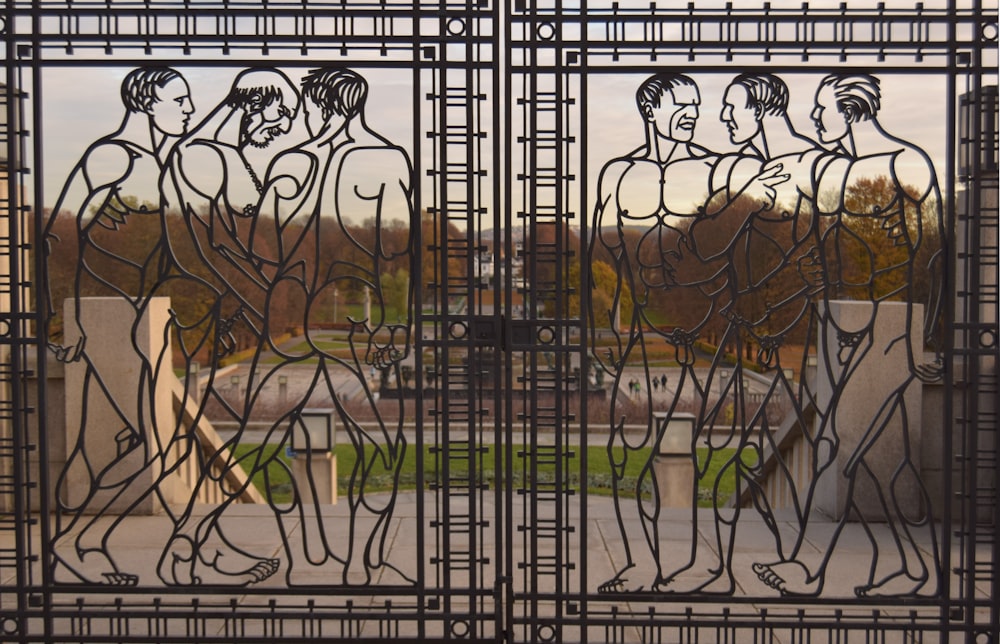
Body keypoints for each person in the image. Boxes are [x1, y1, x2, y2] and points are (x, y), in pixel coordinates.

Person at [589, 72, 785, 593]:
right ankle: (639, 563)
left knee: (704, 452)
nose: (694, 112)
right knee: (622, 450)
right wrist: (621, 318)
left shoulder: (719, 168)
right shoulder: (618, 172)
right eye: (684, 103)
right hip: (647, 322)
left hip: (705, 320)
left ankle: (701, 566)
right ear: (651, 110)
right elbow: (606, 249)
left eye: (698, 104)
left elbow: (738, 242)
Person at [752, 73, 942, 597]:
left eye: (821, 111)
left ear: (850, 109)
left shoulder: (905, 163)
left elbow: (940, 257)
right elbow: (826, 255)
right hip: (850, 329)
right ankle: (909, 567)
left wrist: (926, 341)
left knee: (849, 455)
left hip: (892, 333)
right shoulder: (842, 170)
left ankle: (812, 574)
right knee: (878, 458)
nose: (814, 121)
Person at [44, 66, 194, 584]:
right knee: (120, 440)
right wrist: (56, 327)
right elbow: (57, 239)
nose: (189, 111)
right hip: (101, 330)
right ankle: (81, 545)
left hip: (137, 321)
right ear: (149, 102)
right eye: (181, 100)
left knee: (143, 441)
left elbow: (162, 248)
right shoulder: (112, 156)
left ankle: (87, 544)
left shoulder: (155, 163)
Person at [155, 68, 301, 586]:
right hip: (217, 313)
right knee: (212, 445)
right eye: (278, 115)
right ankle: (196, 553)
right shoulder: (206, 156)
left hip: (229, 312)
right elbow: (210, 247)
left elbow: (230, 246)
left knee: (223, 444)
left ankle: (192, 549)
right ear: (250, 105)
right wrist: (241, 304)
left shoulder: (218, 156)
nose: (281, 128)